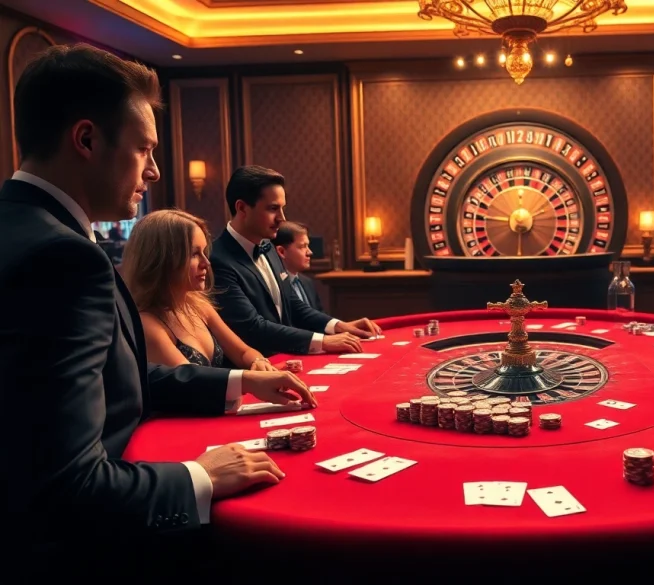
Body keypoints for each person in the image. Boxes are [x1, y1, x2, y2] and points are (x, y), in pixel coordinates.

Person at [0, 44, 317, 566]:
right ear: (86, 139)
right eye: (144, 150)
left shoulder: (26, 231)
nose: (154, 172)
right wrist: (200, 476)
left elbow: (121, 380)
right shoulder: (60, 259)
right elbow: (66, 486)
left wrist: (242, 382)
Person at [210, 165, 382, 358]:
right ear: (242, 208)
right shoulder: (218, 260)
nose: (282, 218)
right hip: (254, 373)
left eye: (282, 208)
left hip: (287, 363)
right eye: (273, 208)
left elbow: (293, 304)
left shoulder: (269, 247)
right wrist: (322, 341)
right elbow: (252, 327)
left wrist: (339, 326)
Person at [121, 209, 279, 371]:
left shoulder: (198, 305)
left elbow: (243, 352)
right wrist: (248, 380)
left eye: (204, 252)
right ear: (163, 260)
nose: (206, 263)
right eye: (194, 254)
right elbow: (195, 386)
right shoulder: (147, 323)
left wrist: (258, 362)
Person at [273, 220, 323, 311]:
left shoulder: (307, 282)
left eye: (308, 246)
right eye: (303, 246)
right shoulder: (272, 285)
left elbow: (320, 320)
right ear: (282, 252)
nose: (310, 252)